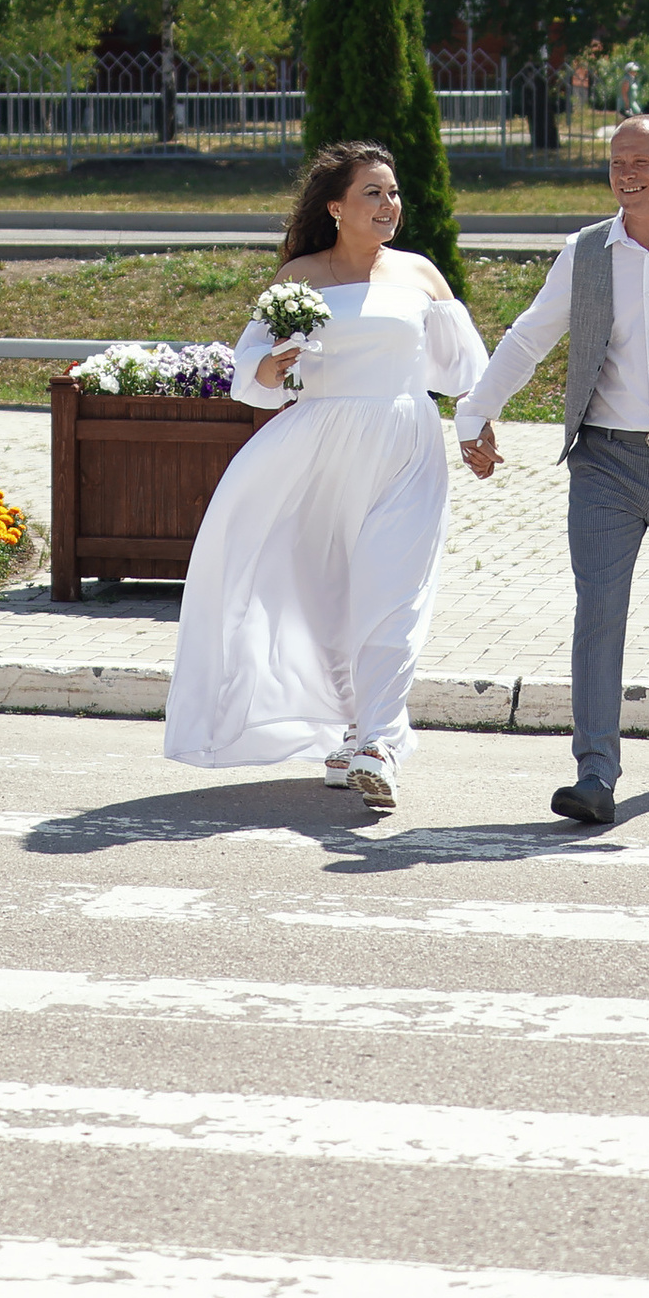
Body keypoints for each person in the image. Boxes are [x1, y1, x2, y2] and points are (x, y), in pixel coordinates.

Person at [456, 115, 649, 825]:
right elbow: (531, 334)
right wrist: (474, 411)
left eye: (642, 161)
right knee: (598, 611)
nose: (627, 174)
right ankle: (595, 773)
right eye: (615, 163)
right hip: (602, 458)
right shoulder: (586, 250)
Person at [163, 141, 490, 814]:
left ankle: (378, 744)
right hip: (317, 451)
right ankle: (353, 727)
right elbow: (250, 369)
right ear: (337, 206)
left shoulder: (422, 276)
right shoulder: (300, 275)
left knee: (394, 594)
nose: (389, 204)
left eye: (394, 192)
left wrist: (475, 428)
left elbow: (465, 371)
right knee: (328, 597)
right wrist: (274, 366)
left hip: (405, 446)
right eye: (373, 192)